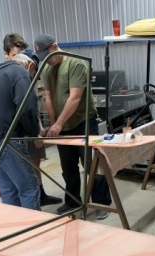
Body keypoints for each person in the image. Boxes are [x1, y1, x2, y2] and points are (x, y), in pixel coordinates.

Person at [34, 34, 112, 219]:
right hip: (62, 126)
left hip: (83, 123)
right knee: (68, 168)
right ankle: (72, 200)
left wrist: (58, 124)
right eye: (43, 57)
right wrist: (54, 125)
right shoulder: (47, 68)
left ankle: (101, 203)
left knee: (92, 165)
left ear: (55, 46)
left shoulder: (76, 63)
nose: (47, 60)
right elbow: (49, 98)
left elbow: (75, 97)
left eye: (48, 55)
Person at [0, 41, 40, 210]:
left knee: (8, 188)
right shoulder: (20, 72)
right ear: (30, 65)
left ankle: (16, 230)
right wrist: (34, 134)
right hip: (1, 140)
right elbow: (27, 107)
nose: (32, 77)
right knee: (29, 186)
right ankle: (34, 232)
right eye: (34, 73)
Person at [2, 34, 62, 207]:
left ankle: (40, 193)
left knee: (35, 160)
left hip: (31, 122)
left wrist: (39, 129)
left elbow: (32, 104)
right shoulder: (8, 74)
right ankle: (24, 201)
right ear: (6, 54)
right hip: (17, 129)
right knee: (19, 167)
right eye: (14, 56)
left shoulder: (29, 71)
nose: (19, 60)